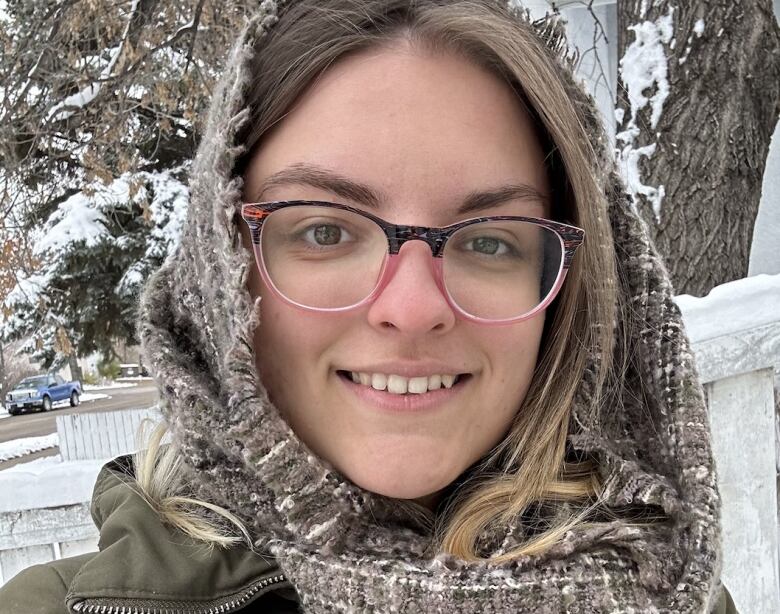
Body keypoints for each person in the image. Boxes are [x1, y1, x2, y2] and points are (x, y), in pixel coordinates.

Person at [0, 1, 738, 612]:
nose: (413, 309)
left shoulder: (670, 587)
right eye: (324, 230)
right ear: (220, 274)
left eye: (488, 242)